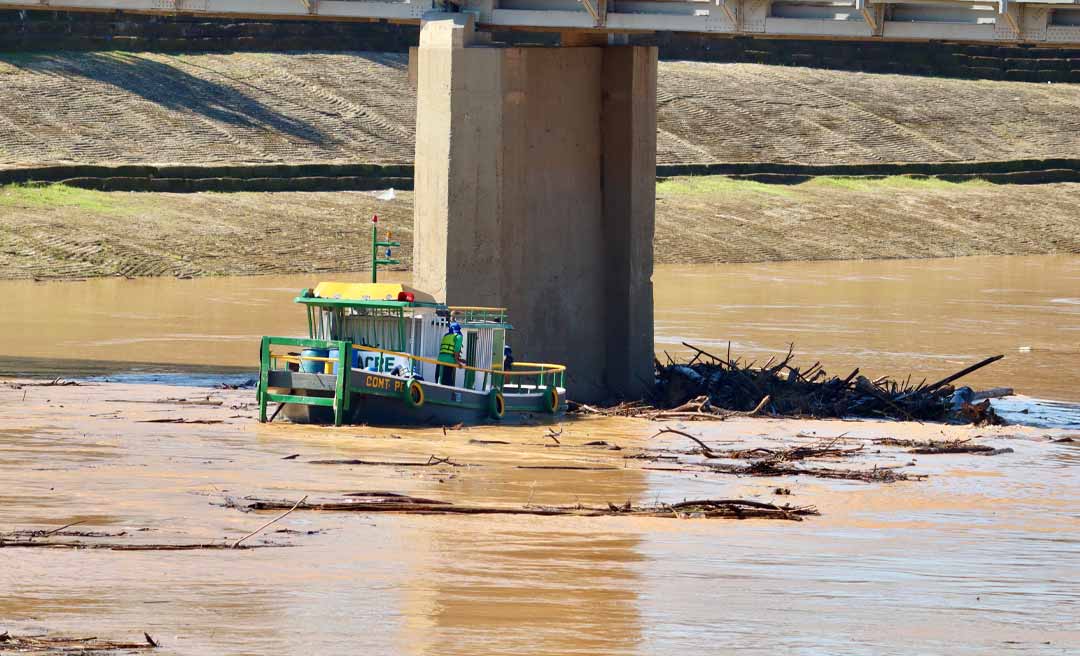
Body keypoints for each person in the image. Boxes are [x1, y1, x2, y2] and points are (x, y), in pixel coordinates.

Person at [435, 322, 464, 386]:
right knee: (447, 383)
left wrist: (460, 360)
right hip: (448, 363)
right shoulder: (459, 337)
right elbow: (456, 351)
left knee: (438, 381)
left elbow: (446, 351)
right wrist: (458, 362)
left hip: (439, 361)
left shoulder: (446, 336)